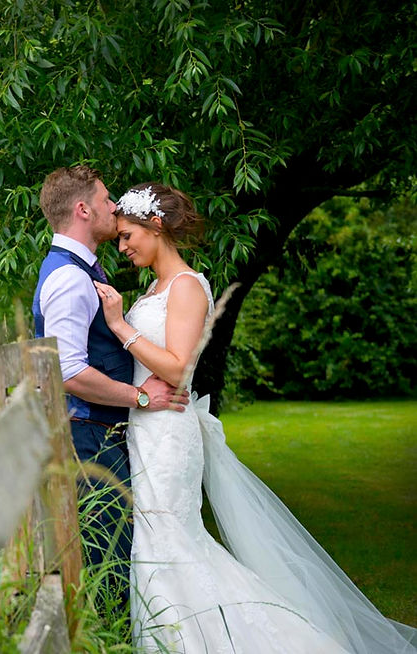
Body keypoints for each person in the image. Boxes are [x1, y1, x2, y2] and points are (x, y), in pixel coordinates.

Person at [93, 182, 417, 653]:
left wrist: (120, 326)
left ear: (155, 226)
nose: (122, 246)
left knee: (169, 543)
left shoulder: (186, 286)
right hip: (147, 427)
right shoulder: (155, 289)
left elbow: (180, 368)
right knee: (157, 544)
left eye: (127, 236)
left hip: (167, 433)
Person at [31, 166, 188, 607]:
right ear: (82, 209)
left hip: (97, 433)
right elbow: (68, 371)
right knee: (111, 565)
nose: (114, 207)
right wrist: (141, 397)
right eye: (105, 201)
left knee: (117, 559)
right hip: (87, 437)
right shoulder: (68, 277)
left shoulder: (78, 271)